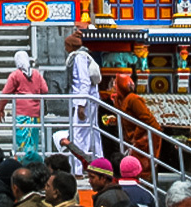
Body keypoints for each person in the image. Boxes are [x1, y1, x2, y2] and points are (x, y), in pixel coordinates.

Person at [65, 33, 103, 175]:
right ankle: (99, 165)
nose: (65, 48)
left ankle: (78, 169)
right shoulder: (84, 56)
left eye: (66, 45)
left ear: (71, 46)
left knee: (79, 134)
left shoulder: (80, 58)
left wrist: (81, 105)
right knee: (92, 132)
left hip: (85, 101)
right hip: (88, 100)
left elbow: (84, 81)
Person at [109, 74, 161, 176]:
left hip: (145, 138)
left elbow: (146, 119)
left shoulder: (133, 99)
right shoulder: (122, 99)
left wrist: (136, 137)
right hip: (135, 139)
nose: (113, 87)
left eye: (115, 84)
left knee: (143, 167)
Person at [0, 52, 47, 155]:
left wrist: (0, 109)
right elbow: (45, 90)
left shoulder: (15, 75)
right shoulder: (37, 74)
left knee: (21, 142)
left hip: (21, 115)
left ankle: (22, 164)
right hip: (35, 114)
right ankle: (32, 164)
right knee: (33, 141)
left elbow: (5, 94)